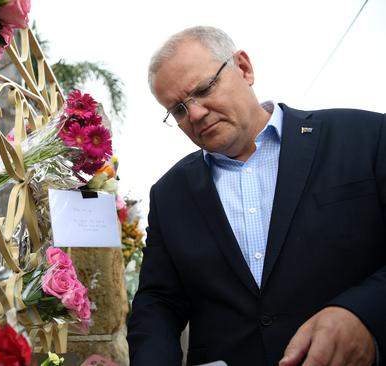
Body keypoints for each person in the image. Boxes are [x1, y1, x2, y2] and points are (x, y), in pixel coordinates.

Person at [127, 25, 385, 366]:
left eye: (204, 89)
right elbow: (158, 301)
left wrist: (364, 314)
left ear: (244, 68)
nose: (196, 114)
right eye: (177, 110)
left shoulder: (365, 138)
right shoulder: (169, 193)